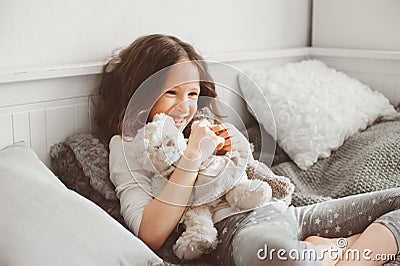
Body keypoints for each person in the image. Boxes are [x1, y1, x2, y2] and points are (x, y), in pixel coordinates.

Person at [94, 33, 400, 266]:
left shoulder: (208, 125)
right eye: (171, 93)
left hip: (282, 212)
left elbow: (249, 167)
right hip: (237, 231)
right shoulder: (128, 147)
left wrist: (226, 145)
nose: (186, 106)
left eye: (192, 93)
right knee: (286, 258)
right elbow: (150, 233)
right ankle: (337, 250)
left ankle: (339, 253)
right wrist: (192, 158)